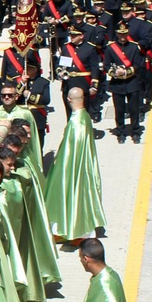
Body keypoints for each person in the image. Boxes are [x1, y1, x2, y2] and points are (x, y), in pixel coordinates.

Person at [45, 87, 106, 243]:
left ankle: (77, 231)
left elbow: (73, 149)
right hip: (79, 165)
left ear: (69, 99)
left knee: (72, 195)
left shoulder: (76, 122)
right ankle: (62, 228)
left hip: (72, 167)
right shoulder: (84, 116)